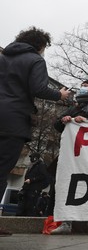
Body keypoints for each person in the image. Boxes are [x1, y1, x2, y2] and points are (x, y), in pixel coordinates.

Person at [0, 27, 71, 236]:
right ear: (40, 45)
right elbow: (38, 88)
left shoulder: (3, 58)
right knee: (2, 168)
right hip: (12, 120)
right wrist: (60, 94)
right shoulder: (35, 60)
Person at [50, 78, 88, 235]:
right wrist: (63, 121)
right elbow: (56, 125)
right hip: (72, 155)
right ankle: (66, 222)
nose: (82, 88)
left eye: (86, 86)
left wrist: (87, 121)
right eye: (82, 85)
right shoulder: (74, 107)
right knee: (68, 184)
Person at [16, 152, 50, 216]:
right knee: (21, 207)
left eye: (32, 157)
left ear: (35, 158)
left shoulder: (41, 165)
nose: (30, 159)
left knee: (30, 207)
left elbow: (43, 176)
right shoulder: (32, 165)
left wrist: (32, 180)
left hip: (33, 190)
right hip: (27, 188)